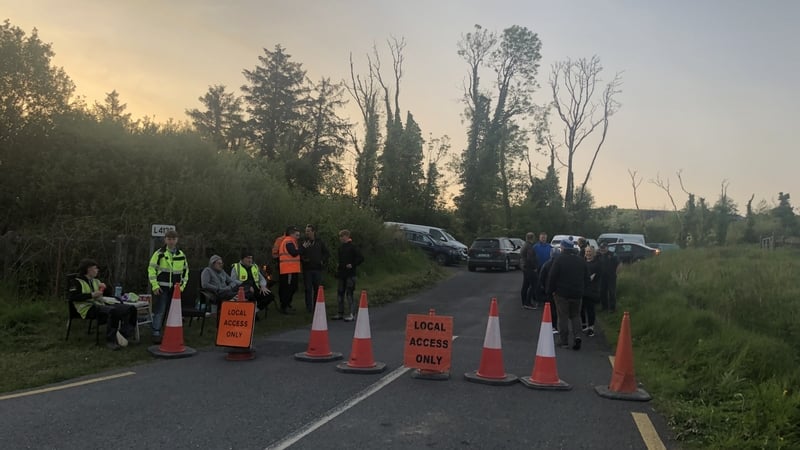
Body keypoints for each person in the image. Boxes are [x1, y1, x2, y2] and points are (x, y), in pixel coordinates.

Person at [70, 258, 138, 350]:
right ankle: (111, 340)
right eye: (95, 268)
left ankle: (124, 334)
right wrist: (92, 295)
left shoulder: (96, 281)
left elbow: (107, 294)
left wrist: (105, 288)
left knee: (131, 308)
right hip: (87, 308)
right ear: (88, 269)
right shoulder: (76, 282)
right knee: (113, 311)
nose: (97, 270)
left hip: (101, 304)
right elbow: (73, 297)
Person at [546, 237, 590, 350]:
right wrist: (583, 290)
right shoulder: (581, 260)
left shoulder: (559, 260)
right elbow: (587, 278)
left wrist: (550, 291)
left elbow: (552, 277)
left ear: (563, 247)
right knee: (576, 316)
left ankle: (564, 341)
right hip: (577, 294)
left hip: (562, 294)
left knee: (563, 316)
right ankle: (578, 336)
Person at [147, 230, 189, 344]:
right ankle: (156, 332)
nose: (171, 241)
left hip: (175, 289)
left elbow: (185, 272)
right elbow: (151, 270)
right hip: (161, 287)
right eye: (169, 239)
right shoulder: (159, 253)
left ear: (177, 240)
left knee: (173, 311)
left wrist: (182, 287)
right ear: (165, 240)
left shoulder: (181, 254)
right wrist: (155, 286)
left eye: (173, 239)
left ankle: (170, 332)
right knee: (160, 310)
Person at [231, 250, 273, 317]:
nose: (250, 260)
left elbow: (261, 278)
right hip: (244, 291)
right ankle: (250, 314)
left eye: (251, 258)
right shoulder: (236, 267)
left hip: (255, 288)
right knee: (250, 297)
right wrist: (246, 287)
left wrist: (263, 286)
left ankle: (254, 311)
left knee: (269, 295)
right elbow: (233, 281)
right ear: (242, 259)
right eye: (248, 258)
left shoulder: (254, 267)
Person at [333, 229, 364, 322]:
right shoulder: (341, 248)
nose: (340, 238)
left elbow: (361, 258)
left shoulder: (353, 247)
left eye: (341, 236)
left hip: (350, 274)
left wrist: (353, 264)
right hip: (341, 274)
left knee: (349, 294)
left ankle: (352, 314)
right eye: (340, 236)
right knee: (340, 294)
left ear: (346, 236)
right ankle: (340, 313)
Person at [300, 224, 330, 313]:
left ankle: (317, 306)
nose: (307, 233)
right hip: (307, 269)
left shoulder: (319, 242)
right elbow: (299, 253)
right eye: (306, 231)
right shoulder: (304, 242)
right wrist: (303, 259)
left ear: (313, 231)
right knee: (308, 289)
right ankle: (309, 307)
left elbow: (326, 253)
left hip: (317, 268)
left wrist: (322, 260)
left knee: (317, 288)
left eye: (308, 231)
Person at [278, 226, 302, 314]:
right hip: (288, 270)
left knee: (292, 287)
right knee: (289, 288)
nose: (298, 234)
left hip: (291, 269)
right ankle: (285, 306)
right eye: (296, 233)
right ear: (291, 233)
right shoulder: (288, 241)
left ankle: (286, 305)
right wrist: (302, 247)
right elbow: (294, 253)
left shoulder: (291, 241)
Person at [538, 246, 559, 334]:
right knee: (560, 310)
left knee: (552, 309)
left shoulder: (546, 264)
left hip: (549, 290)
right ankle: (559, 327)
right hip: (560, 290)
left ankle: (553, 326)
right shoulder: (561, 264)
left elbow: (541, 278)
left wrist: (543, 288)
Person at [581, 246, 601, 337]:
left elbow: (592, 278)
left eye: (590, 252)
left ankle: (591, 328)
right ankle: (584, 325)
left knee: (590, 309)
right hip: (582, 289)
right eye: (587, 251)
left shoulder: (597, 264)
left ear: (593, 253)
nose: (588, 253)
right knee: (581, 308)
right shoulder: (582, 262)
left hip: (592, 290)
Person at [597, 242, 621, 313]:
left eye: (604, 248)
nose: (603, 249)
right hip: (602, 277)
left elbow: (619, 264)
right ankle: (604, 307)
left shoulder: (612, 254)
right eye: (601, 248)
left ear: (607, 247)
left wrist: (616, 273)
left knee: (611, 292)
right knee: (602, 292)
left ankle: (612, 308)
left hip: (611, 277)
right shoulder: (599, 255)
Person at [519, 232, 539, 310]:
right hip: (529, 268)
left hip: (525, 267)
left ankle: (524, 302)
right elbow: (531, 258)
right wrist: (534, 267)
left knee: (525, 285)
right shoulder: (529, 246)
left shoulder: (524, 245)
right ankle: (528, 302)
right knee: (534, 285)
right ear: (532, 238)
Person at [532, 232, 552, 307]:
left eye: (544, 237)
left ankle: (546, 300)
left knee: (546, 284)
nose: (543, 239)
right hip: (538, 267)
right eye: (542, 237)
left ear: (546, 238)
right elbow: (532, 258)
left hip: (547, 268)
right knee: (537, 284)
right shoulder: (535, 247)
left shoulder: (550, 247)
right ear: (539, 238)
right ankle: (537, 300)